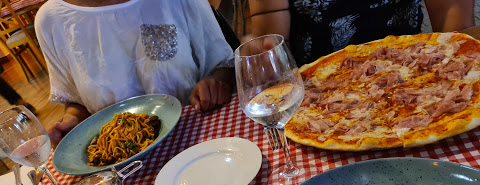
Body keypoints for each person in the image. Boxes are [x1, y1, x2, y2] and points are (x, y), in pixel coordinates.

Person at [35, 0, 236, 145]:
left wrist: (216, 83)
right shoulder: (51, 20)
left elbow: (225, 65)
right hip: (124, 163)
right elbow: (76, 102)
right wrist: (72, 121)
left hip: (201, 137)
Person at [248, 0, 475, 66]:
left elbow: (453, 18)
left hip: (415, 72)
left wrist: (451, 72)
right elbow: (272, 47)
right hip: (321, 98)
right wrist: (262, 53)